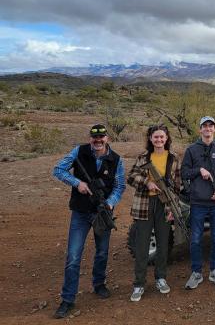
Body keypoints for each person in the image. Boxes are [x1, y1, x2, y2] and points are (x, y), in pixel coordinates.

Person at [52, 124, 125, 319]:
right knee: (73, 256)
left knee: (102, 252)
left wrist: (109, 204)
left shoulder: (116, 159)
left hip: (102, 213)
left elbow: (120, 187)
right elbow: (58, 170)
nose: (98, 140)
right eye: (94, 137)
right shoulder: (79, 151)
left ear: (107, 138)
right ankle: (68, 299)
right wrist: (78, 184)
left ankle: (99, 284)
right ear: (90, 138)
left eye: (101, 137)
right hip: (81, 212)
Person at [127, 124, 180, 302]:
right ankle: (139, 284)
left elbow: (177, 185)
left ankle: (161, 278)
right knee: (142, 245)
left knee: (163, 244)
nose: (159, 140)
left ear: (166, 138)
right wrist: (146, 182)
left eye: (162, 137)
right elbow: (131, 176)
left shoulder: (173, 158)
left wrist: (173, 207)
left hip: (164, 204)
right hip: (144, 203)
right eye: (155, 137)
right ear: (150, 139)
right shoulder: (143, 157)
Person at [181, 116, 215, 289]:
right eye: (204, 126)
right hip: (198, 202)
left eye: (211, 126)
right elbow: (184, 172)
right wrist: (199, 170)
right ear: (200, 129)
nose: (208, 129)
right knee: (195, 238)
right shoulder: (192, 150)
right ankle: (196, 272)